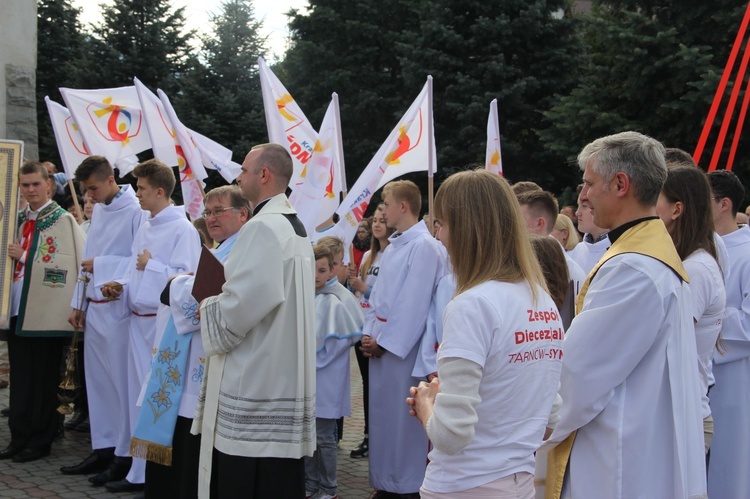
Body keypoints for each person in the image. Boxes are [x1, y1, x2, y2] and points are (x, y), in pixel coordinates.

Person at [544, 131, 706, 499]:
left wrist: (515, 417)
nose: (582, 195)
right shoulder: (652, 257)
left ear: (620, 184)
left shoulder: (632, 268)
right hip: (640, 447)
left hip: (617, 462)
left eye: (588, 183)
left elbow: (576, 378)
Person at [407, 169, 563, 498]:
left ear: (466, 230)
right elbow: (551, 413)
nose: (438, 236)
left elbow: (450, 436)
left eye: (442, 224)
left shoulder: (472, 305)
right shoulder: (540, 299)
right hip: (519, 483)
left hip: (464, 484)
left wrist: (426, 404)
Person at [191, 143, 316, 498]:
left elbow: (243, 304)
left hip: (258, 380)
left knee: (249, 480)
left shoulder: (262, 228)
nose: (238, 176)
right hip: (281, 373)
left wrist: (209, 303)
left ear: (264, 175)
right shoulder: (294, 226)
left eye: (244, 170)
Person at [130, 186, 250, 499]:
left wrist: (173, 283)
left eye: (219, 211)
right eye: (207, 212)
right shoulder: (221, 248)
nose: (211, 218)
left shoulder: (244, 250)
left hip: (209, 367)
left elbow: (217, 293)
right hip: (190, 360)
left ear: (243, 214)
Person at [100, 159, 201, 493]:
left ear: (160, 191)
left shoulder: (183, 229)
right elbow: (135, 267)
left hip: (160, 326)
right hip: (136, 319)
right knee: (134, 398)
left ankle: (146, 473)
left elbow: (187, 279)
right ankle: (134, 467)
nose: (137, 194)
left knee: (154, 400)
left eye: (142, 189)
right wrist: (122, 284)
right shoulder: (145, 222)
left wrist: (152, 265)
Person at [60, 156, 147, 482]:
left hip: (118, 307)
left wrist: (104, 267)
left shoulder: (136, 211)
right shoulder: (100, 211)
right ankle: (103, 447)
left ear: (110, 180)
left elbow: (138, 259)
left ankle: (123, 455)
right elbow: (86, 261)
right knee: (97, 385)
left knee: (119, 386)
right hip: (94, 306)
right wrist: (78, 303)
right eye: (86, 191)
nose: (90, 196)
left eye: (93, 188)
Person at [361, 180, 447, 497]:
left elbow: (414, 304)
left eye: (385, 203)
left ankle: (406, 484)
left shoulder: (424, 247)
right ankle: (386, 480)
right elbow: (378, 300)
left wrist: (384, 342)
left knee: (404, 423)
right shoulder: (395, 247)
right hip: (384, 345)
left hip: (403, 352)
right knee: (384, 419)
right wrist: (369, 333)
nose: (381, 210)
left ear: (403, 206)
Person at [0, 161, 86, 463]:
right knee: (22, 378)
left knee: (45, 379)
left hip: (47, 312)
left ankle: (42, 439)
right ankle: (19, 437)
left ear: (48, 185)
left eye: (36, 184)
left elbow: (63, 268)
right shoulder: (17, 219)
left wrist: (24, 256)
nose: (31, 190)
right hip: (17, 312)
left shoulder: (61, 220)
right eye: (25, 185)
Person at [656, 166, 725, 457]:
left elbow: (671, 343)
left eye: (655, 199)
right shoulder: (693, 262)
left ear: (677, 209)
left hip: (685, 418)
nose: (649, 207)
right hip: (680, 415)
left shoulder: (695, 269)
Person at [305, 245, 364, 499]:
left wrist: (314, 361)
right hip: (308, 379)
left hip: (326, 379)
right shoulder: (308, 295)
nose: (316, 275)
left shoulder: (337, 299)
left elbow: (342, 340)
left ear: (331, 270)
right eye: (312, 269)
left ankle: (328, 488)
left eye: (321, 270)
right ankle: (310, 485)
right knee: (308, 435)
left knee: (325, 437)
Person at [706, 170, 750, 498]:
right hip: (698, 375)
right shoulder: (699, 248)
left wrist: (708, 315)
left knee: (728, 469)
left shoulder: (747, 252)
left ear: (724, 204)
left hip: (734, 378)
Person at [346, 204, 393, 459]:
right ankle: (368, 436)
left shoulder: (394, 255)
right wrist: (353, 284)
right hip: (362, 329)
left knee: (381, 387)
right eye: (374, 220)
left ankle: (382, 436)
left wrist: (363, 288)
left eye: (382, 221)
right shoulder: (367, 257)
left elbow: (387, 298)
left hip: (381, 334)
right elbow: (360, 294)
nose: (376, 225)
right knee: (367, 385)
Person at [516, 189, 586, 294]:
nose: (514, 226)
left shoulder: (568, 271)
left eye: (520, 221)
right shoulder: (524, 259)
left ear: (540, 223)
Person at [567, 193, 610, 275]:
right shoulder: (574, 252)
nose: (577, 213)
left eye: (584, 206)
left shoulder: (621, 253)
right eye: (578, 205)